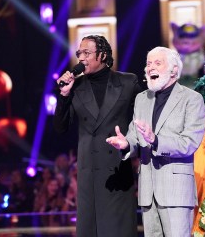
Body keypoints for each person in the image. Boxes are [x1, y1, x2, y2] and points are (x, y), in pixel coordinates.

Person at [106, 46, 205, 237]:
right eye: (148, 63)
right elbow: (135, 135)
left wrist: (156, 140)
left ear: (174, 70)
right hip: (148, 191)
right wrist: (126, 144)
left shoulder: (192, 99)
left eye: (157, 63)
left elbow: (190, 142)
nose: (150, 67)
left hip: (176, 191)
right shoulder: (142, 99)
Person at [53, 35, 142, 237]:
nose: (81, 58)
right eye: (79, 54)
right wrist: (64, 96)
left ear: (102, 55)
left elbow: (144, 118)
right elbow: (60, 127)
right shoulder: (76, 87)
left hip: (117, 170)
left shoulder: (127, 82)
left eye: (87, 53)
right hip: (88, 174)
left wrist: (132, 143)